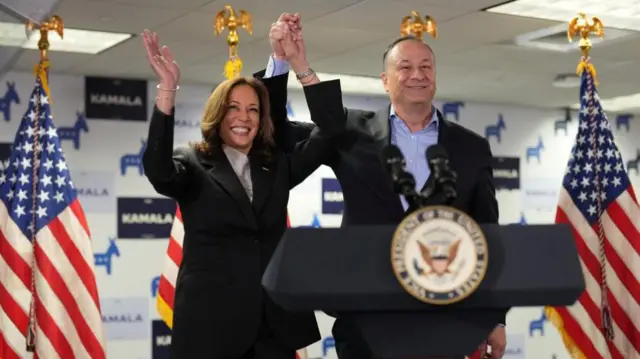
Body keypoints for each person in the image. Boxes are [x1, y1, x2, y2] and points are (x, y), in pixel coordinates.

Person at [257, 14, 508, 359]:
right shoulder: (348, 131)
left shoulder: (472, 147)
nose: (417, 75)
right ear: (385, 80)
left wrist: (494, 317)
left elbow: (487, 234)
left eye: (426, 67)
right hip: (364, 321)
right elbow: (278, 133)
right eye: (405, 67)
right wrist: (286, 63)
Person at [140, 28, 345, 359]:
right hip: (211, 328)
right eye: (234, 108)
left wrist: (299, 63)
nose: (244, 118)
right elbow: (158, 170)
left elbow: (332, 130)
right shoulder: (192, 162)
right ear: (218, 114)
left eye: (253, 110)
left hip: (273, 329)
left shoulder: (276, 165)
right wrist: (167, 88)